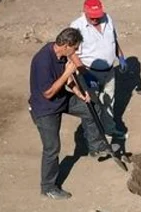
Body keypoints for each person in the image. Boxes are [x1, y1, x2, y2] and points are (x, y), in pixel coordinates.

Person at [28, 28, 108, 199]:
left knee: (91, 107)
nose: (76, 52)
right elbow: (48, 93)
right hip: (45, 109)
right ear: (65, 45)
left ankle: (95, 147)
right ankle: (48, 187)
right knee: (52, 148)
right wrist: (67, 73)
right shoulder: (43, 61)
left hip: (61, 99)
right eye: (75, 48)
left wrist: (79, 93)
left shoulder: (62, 54)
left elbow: (69, 79)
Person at [70, 0, 127, 136]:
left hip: (109, 72)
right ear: (84, 11)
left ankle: (109, 129)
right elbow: (71, 53)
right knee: (91, 106)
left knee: (109, 101)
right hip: (89, 72)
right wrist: (85, 74)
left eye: (98, 16)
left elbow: (113, 39)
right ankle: (94, 136)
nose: (96, 19)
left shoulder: (107, 19)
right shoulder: (76, 27)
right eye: (92, 17)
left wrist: (121, 56)